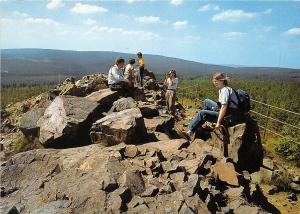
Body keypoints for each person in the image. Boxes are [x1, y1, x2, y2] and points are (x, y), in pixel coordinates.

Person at [179, 72, 240, 141]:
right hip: (227, 110)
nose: (215, 82)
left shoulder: (224, 90)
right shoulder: (223, 89)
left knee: (201, 113)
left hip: (227, 115)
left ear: (222, 80)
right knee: (206, 101)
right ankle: (202, 122)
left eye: (216, 81)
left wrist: (218, 122)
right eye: (214, 81)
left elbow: (224, 107)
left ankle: (190, 132)